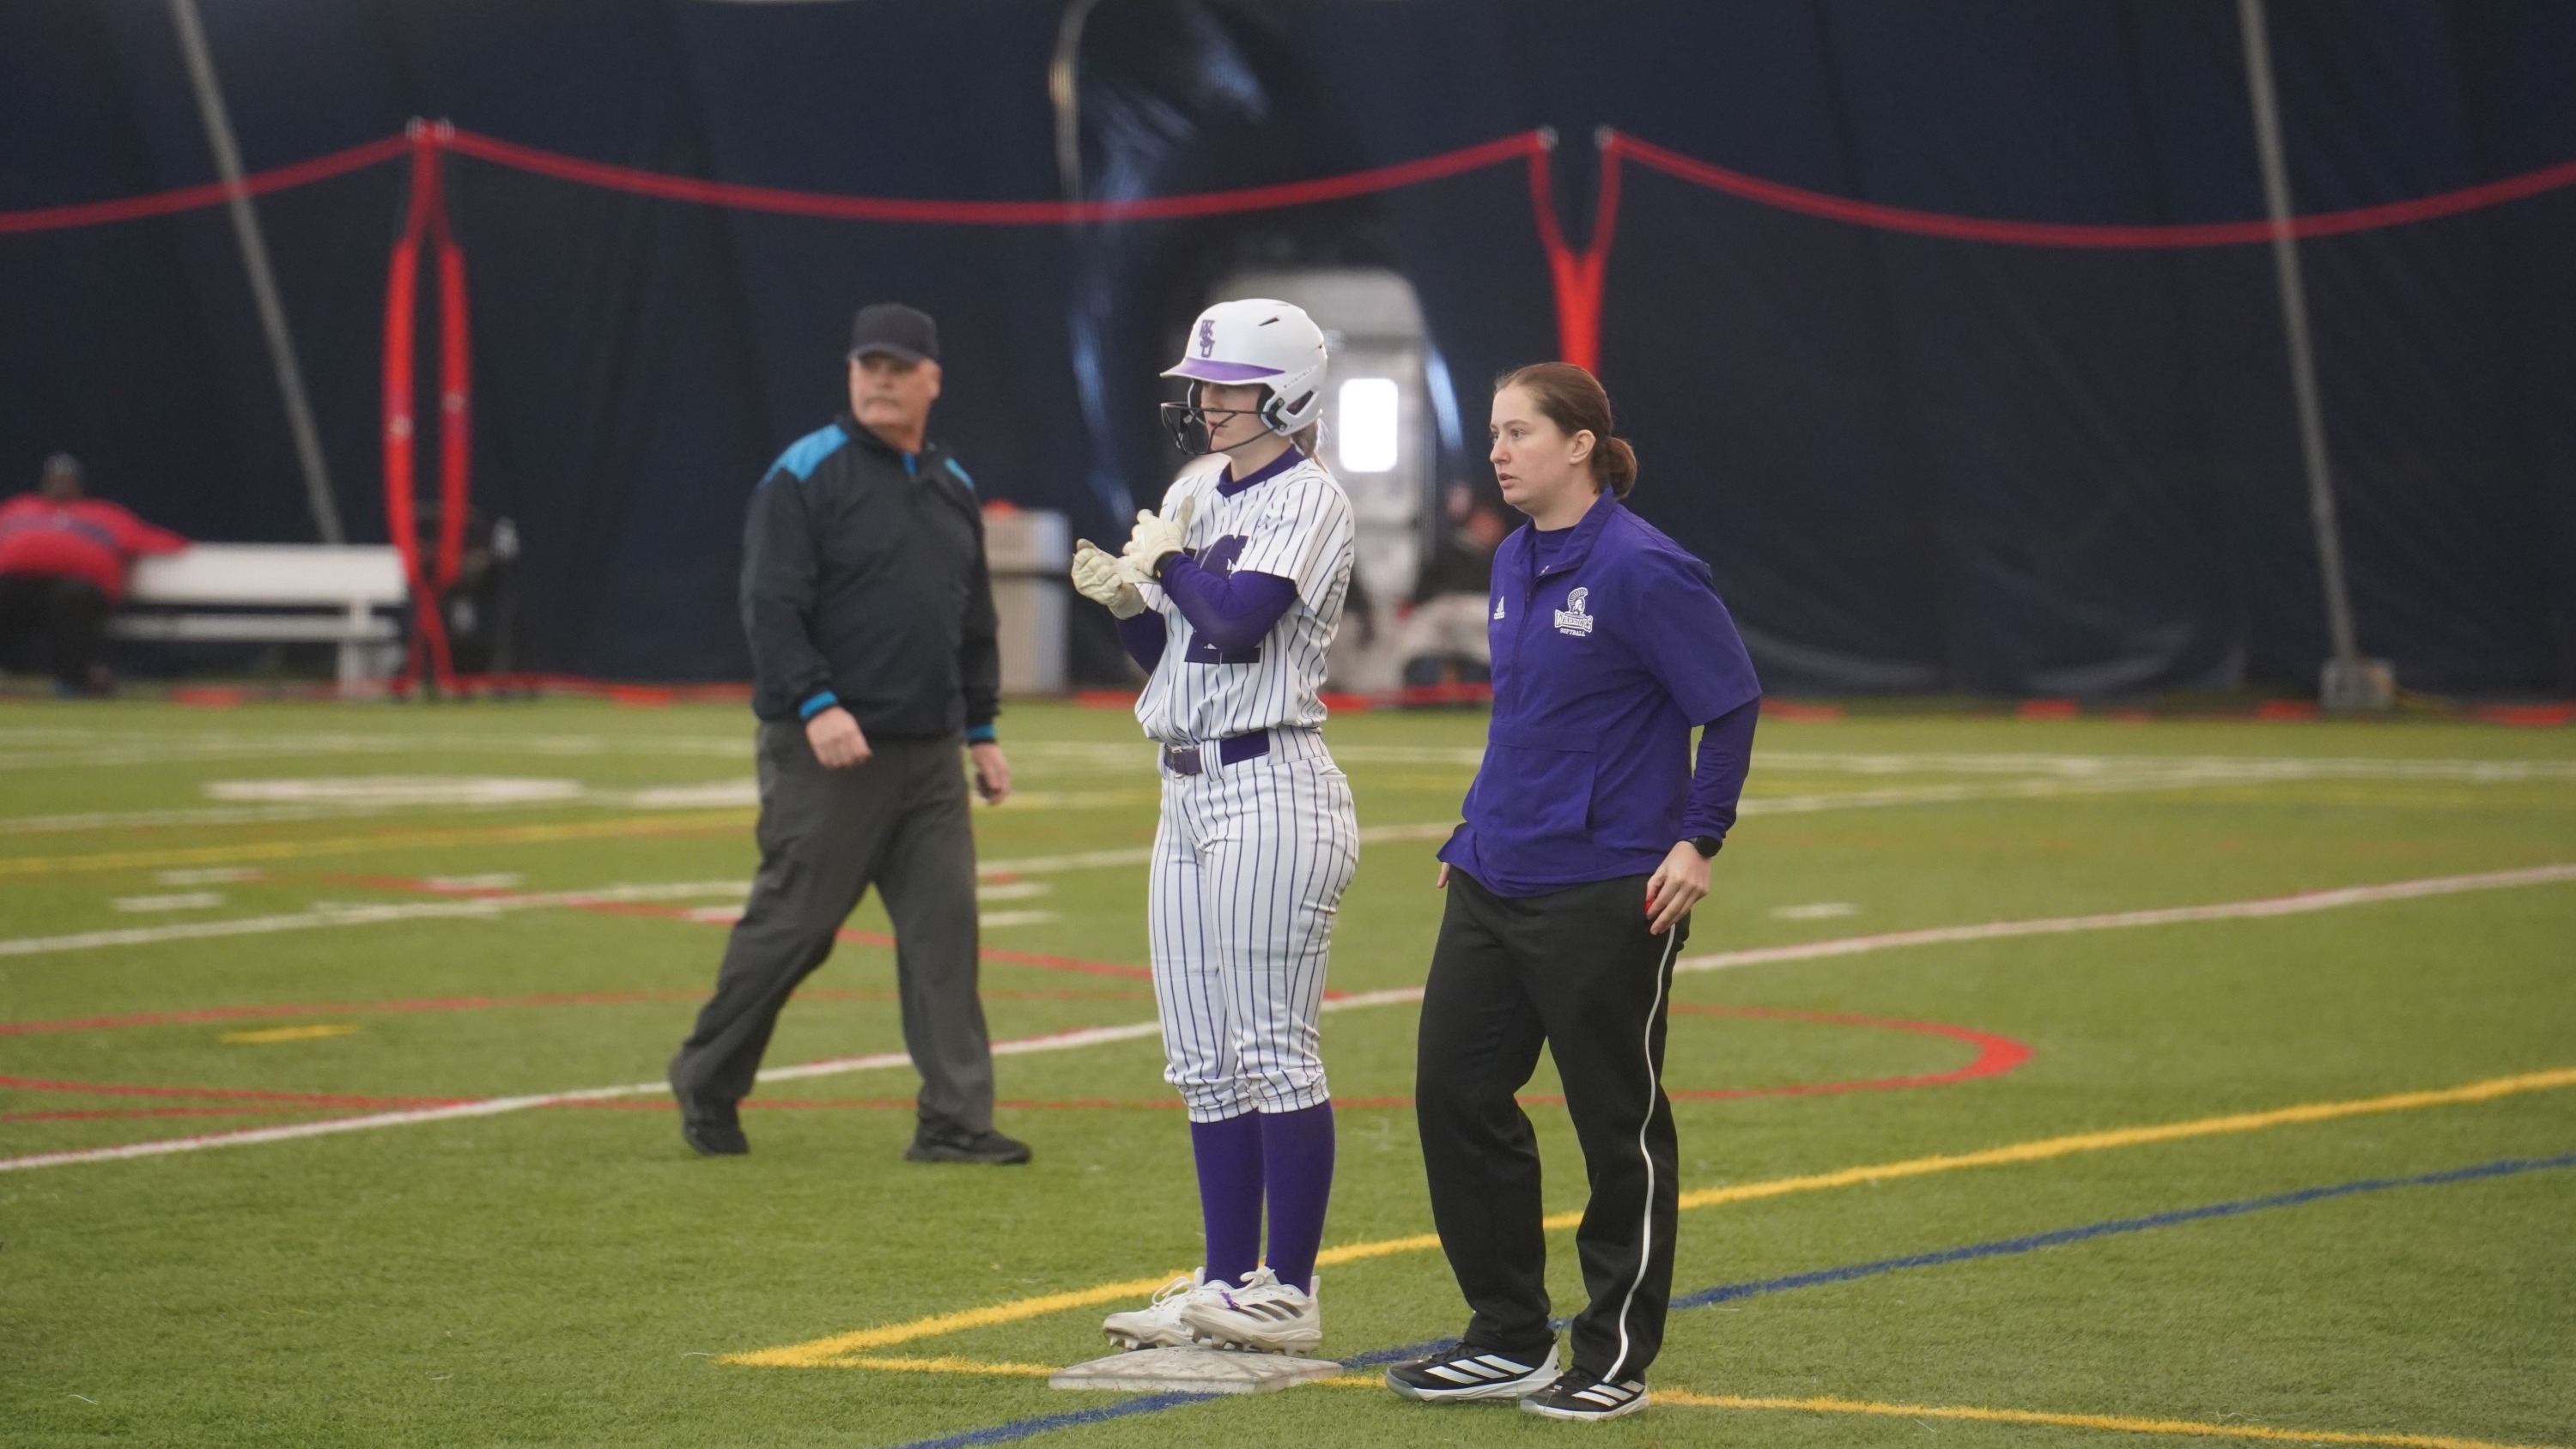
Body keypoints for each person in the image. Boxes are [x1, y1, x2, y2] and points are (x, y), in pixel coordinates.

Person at [1387, 363, 1759, 1421]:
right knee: (1454, 1093)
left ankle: (1614, 1354)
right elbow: (1526, 722)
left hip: (1609, 888)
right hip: (1492, 873)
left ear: (1581, 443)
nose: (1498, 452)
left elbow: (1727, 705)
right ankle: (1507, 1333)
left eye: (1518, 433)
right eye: (1496, 433)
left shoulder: (1647, 569)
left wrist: (1700, 839)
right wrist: (1472, 826)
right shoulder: (1510, 556)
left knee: (1617, 1123)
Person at [668, 303, 1028, 1167]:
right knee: (795, 925)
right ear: (850, 373)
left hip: (931, 755)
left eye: (899, 367)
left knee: (946, 931)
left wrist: (981, 730)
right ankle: (706, 1077)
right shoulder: (805, 473)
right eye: (868, 364)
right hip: (830, 749)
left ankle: (954, 1118)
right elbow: (771, 604)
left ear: (932, 379)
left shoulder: (952, 484)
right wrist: (816, 704)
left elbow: (970, 621)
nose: (880, 378)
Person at [1067, 299, 1359, 1355]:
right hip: (1186, 781)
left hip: (1272, 781)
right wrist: (1130, 604)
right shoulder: (1197, 485)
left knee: (1273, 1045)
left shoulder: (1310, 496)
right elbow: (1179, 653)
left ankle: (1292, 1284)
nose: (1208, 400)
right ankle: (1225, 1277)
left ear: (1284, 390)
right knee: (1201, 1054)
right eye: (1205, 383)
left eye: (1230, 383)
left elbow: (1236, 626)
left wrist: (1172, 567)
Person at [0, 454, 185, 694]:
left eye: (66, 479)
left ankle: (73, 681)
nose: (61, 484)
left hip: (74, 591)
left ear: (78, 484)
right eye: (56, 479)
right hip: (18, 586)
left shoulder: (104, 515)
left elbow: (152, 540)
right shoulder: (18, 509)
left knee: (75, 598)